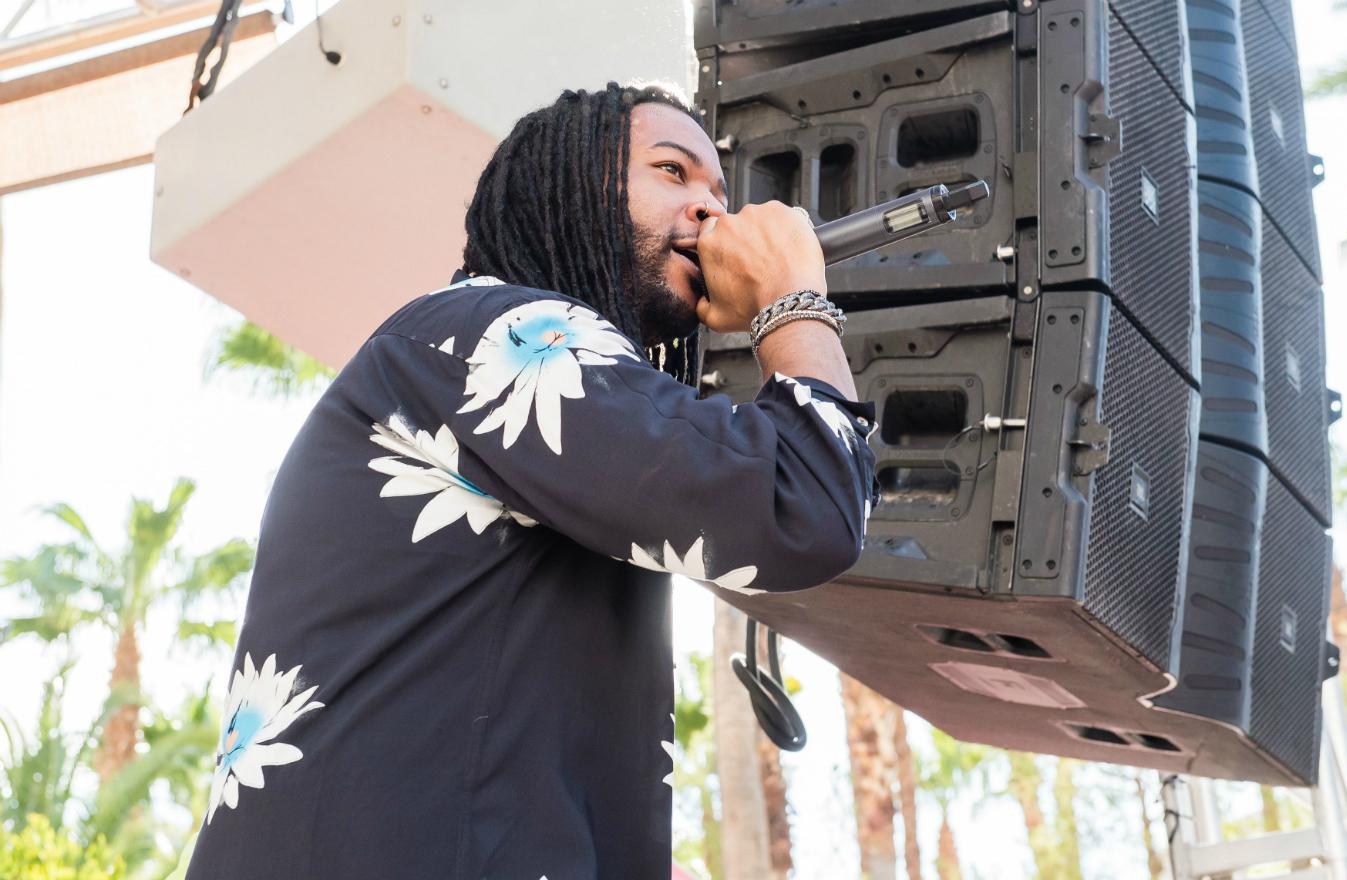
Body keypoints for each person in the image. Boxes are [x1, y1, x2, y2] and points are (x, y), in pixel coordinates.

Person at [185, 81, 878, 879]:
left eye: (720, 191)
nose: (712, 213)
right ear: (569, 186)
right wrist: (793, 301)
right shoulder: (502, 338)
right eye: (672, 172)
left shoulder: (504, 396)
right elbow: (805, 503)